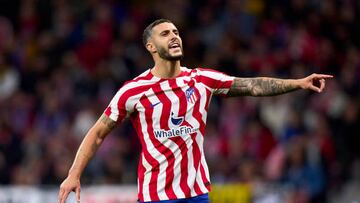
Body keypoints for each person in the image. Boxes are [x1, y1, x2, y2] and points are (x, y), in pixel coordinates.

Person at [58, 19, 333, 203]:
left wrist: (298, 82)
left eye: (176, 32)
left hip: (197, 194)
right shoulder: (134, 90)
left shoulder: (201, 79)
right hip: (156, 196)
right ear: (151, 47)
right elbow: (96, 133)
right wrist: (74, 174)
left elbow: (251, 86)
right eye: (165, 34)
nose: (174, 37)